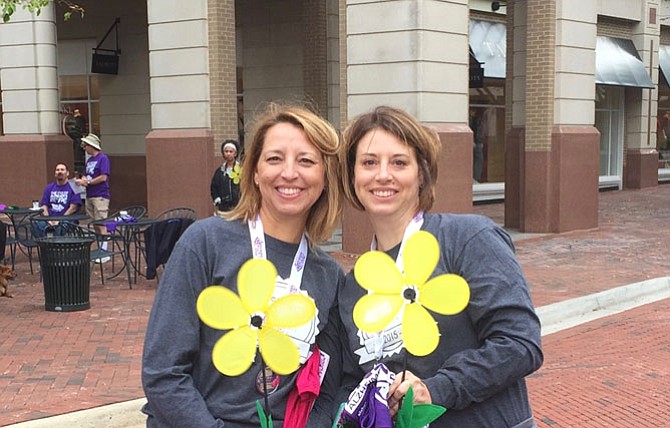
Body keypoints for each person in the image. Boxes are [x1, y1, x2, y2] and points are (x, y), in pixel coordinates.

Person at [336, 106, 543, 427]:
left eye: (399, 162)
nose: (382, 174)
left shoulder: (468, 238)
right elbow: (353, 380)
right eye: (368, 162)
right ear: (353, 175)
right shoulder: (354, 286)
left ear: (422, 174)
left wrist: (436, 388)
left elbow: (520, 343)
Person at [142, 104, 345, 427]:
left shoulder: (327, 274)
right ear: (254, 170)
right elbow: (163, 374)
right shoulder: (205, 243)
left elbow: (328, 385)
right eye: (275, 158)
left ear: (324, 177)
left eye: (306, 160)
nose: (289, 172)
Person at [31, 163, 82, 238]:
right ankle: (44, 247)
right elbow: (44, 206)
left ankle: (57, 248)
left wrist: (60, 220)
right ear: (55, 174)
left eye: (62, 170)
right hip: (50, 218)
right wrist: (48, 220)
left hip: (67, 219)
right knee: (35, 225)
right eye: (57, 170)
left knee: (59, 227)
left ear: (67, 173)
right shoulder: (49, 187)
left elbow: (73, 207)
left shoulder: (74, 186)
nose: (59, 172)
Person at [74, 133, 111, 230]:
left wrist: (88, 182)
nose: (84, 148)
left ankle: (104, 244)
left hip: (100, 195)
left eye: (85, 146)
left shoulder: (103, 158)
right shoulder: (89, 160)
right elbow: (86, 175)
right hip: (89, 195)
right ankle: (99, 242)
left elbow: (103, 177)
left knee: (101, 223)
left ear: (91, 146)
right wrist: (81, 180)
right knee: (93, 223)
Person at [210, 139, 242, 212]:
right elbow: (214, 187)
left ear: (235, 153)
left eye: (231, 151)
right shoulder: (220, 171)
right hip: (224, 207)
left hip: (238, 206)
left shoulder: (241, 170)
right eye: (226, 151)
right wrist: (217, 199)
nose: (228, 153)